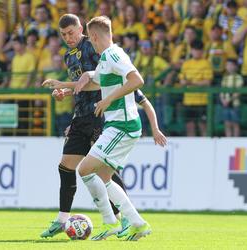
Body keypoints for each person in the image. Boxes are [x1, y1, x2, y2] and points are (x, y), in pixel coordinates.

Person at [40, 14, 166, 239]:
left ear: (92, 36)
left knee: (89, 169)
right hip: (102, 120)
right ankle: (130, 222)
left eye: (74, 33)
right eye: (64, 34)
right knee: (100, 172)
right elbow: (92, 84)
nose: (70, 38)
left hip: (120, 124)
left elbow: (137, 82)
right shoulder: (103, 58)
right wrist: (66, 88)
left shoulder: (112, 54)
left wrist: (107, 100)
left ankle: (118, 221)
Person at [220, 59, 243, 137]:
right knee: (227, 123)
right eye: (227, 65)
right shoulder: (225, 78)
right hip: (225, 104)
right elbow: (221, 91)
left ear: (235, 67)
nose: (229, 67)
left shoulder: (239, 77)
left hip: (235, 104)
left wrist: (229, 100)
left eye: (231, 65)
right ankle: (228, 140)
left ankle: (235, 141)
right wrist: (223, 100)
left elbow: (238, 91)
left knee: (235, 123)